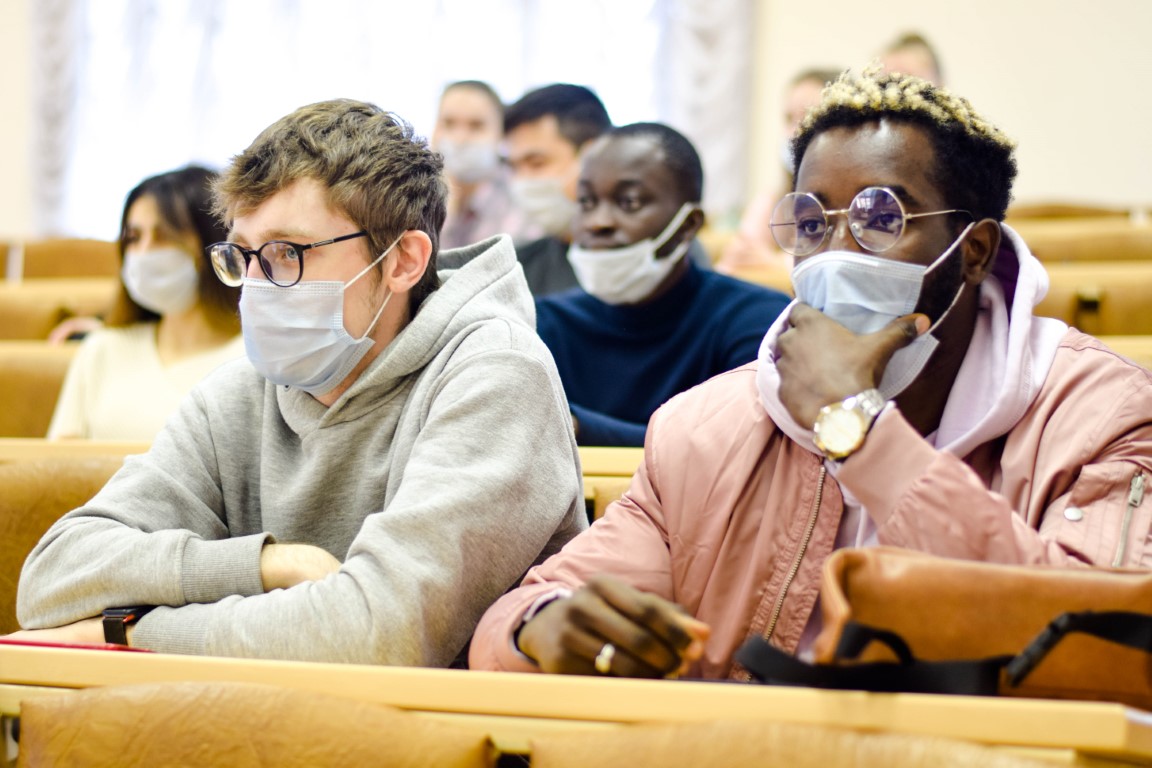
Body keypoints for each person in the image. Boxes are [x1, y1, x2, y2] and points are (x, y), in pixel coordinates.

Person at [469, 68, 1152, 680]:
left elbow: (1104, 650)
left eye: (882, 218)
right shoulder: (706, 427)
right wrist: (542, 628)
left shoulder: (1100, 414)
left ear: (972, 251)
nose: (836, 252)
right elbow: (517, 620)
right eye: (811, 222)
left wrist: (855, 425)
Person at [15, 99, 587, 667]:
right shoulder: (240, 391)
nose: (255, 287)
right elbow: (52, 577)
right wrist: (266, 565)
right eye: (243, 255)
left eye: (286, 253)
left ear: (403, 261)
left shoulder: (497, 373)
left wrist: (126, 634)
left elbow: (379, 632)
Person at [539, 122, 790, 447]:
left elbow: (736, 446)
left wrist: (573, 425)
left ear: (687, 226)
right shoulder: (544, 323)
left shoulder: (756, 318)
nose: (598, 222)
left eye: (629, 202)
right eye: (586, 201)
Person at [47, 166, 245, 440]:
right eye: (134, 238)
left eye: (164, 236)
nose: (143, 253)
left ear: (211, 244)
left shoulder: (250, 358)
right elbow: (60, 460)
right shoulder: (101, 349)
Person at [717, 68, 840, 275]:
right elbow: (733, 263)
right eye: (789, 118)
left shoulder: (856, 207)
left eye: (809, 115)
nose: (795, 131)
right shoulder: (772, 201)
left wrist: (776, 264)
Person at [503, 83, 612, 296]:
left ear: (593, 156)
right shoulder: (518, 271)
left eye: (537, 163)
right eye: (514, 167)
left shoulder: (642, 261)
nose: (521, 181)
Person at [431, 80, 525, 249]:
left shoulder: (522, 196)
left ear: (501, 133)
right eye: (449, 123)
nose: (460, 139)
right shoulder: (419, 193)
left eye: (476, 126)